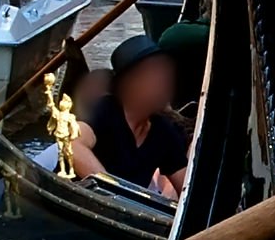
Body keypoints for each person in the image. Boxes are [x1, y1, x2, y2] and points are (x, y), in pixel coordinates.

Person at [75, 32, 191, 198]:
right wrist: (113, 194)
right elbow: (73, 145)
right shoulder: (105, 110)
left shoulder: (164, 131)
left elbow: (188, 190)